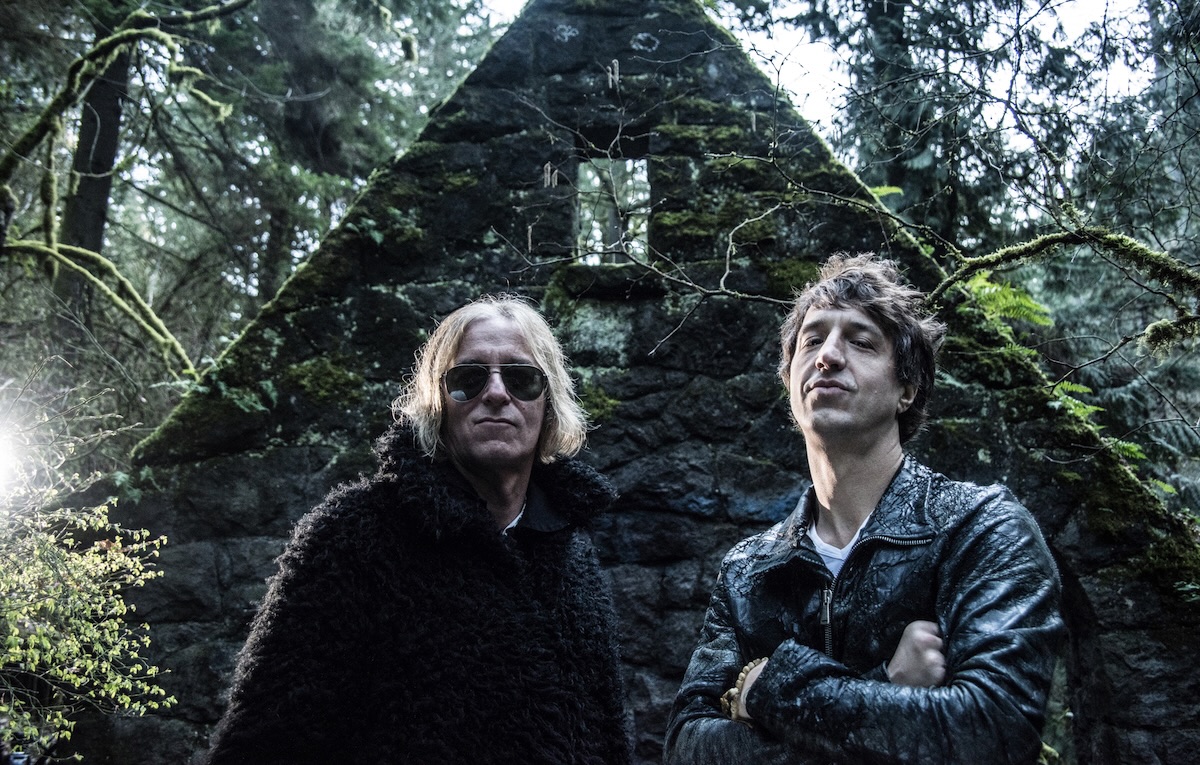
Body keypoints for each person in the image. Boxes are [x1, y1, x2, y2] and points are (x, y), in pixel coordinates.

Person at [664, 254, 1065, 765]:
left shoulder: (981, 528)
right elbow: (687, 747)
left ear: (907, 389)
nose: (828, 356)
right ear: (790, 381)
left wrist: (770, 688)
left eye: (861, 341)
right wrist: (886, 684)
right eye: (812, 340)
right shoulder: (748, 570)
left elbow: (994, 732)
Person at [204, 295, 633, 765]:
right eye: (468, 378)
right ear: (437, 401)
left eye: (521, 377)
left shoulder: (571, 548)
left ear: (548, 402)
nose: (496, 393)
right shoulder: (355, 536)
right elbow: (265, 741)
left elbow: (607, 735)